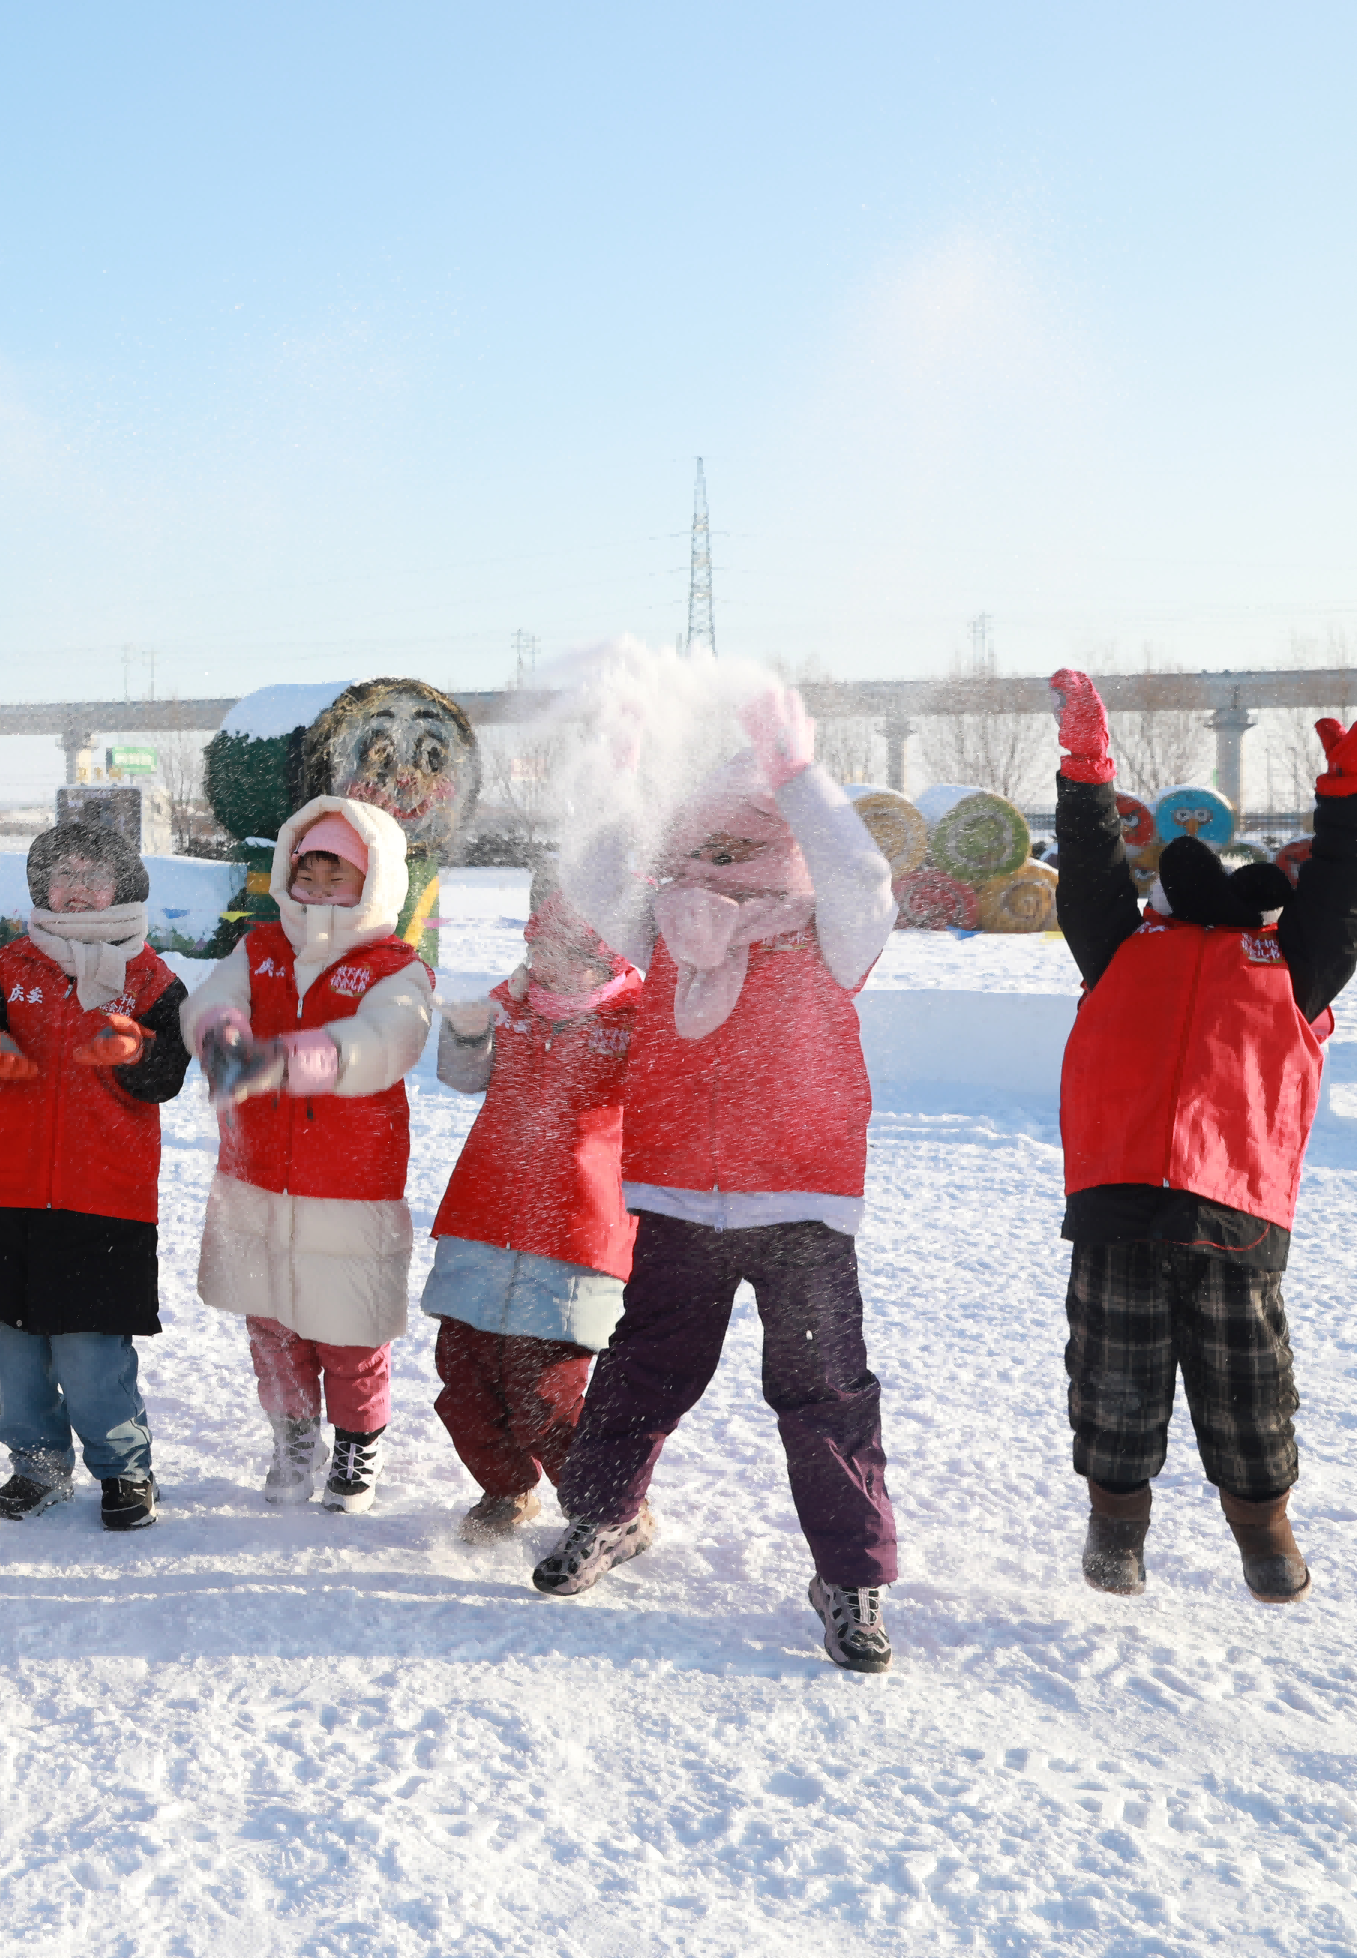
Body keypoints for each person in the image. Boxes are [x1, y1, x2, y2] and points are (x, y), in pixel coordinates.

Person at [534, 686, 902, 1677]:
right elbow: (596, 868)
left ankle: (849, 1572)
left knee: (824, 1389)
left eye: (742, 844)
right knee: (645, 1367)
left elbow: (864, 874)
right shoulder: (661, 930)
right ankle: (605, 1515)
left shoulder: (830, 931)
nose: (715, 866)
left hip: (803, 1205)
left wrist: (797, 772)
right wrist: (617, 767)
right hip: (677, 1196)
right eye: (702, 843)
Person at [1047, 672, 1354, 1603]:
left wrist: (1345, 806)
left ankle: (1263, 1529)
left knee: (1249, 1386)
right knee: (1113, 1376)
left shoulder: (1288, 966)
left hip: (1238, 1207)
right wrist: (1086, 774)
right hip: (1119, 1200)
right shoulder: (1121, 946)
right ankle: (1115, 1529)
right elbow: (1093, 870)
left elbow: (1340, 900)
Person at [184, 797, 435, 1512]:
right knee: (270, 1324)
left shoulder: (395, 967)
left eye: (339, 880)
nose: (320, 893)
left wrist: (293, 1060)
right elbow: (211, 999)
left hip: (348, 1185)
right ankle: (293, 1434)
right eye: (309, 877)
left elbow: (390, 1041)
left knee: (349, 1330)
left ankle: (357, 1444)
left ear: (375, 884)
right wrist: (223, 1032)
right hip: (256, 1175)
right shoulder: (259, 950)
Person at [0, 817, 191, 1526]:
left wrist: (137, 1050)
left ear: (124, 885)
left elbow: (167, 1077)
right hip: (9, 1191)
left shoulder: (151, 978)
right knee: (4, 1344)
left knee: (89, 1352)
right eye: (63, 874)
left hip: (103, 1198)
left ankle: (124, 1470)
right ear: (40, 886)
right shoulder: (10, 964)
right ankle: (39, 1465)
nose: (77, 888)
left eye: (94, 873)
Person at [421, 874, 643, 1539]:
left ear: (606, 956)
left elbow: (669, 1109)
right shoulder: (512, 1004)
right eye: (542, 944)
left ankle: (608, 1507)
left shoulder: (638, 1019)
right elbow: (462, 1081)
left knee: (543, 1395)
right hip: (483, 1218)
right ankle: (506, 1490)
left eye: (570, 949)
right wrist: (464, 1034)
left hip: (577, 1235)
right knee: (462, 1379)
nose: (550, 961)